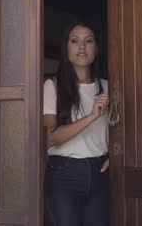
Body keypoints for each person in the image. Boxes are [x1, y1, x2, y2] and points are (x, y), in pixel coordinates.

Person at [43, 21, 110, 226]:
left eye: (88, 41)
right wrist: (91, 116)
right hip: (64, 173)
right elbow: (51, 138)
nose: (82, 47)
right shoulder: (53, 86)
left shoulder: (108, 87)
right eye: (75, 41)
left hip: (100, 172)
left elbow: (125, 130)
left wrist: (116, 157)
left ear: (96, 49)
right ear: (66, 48)